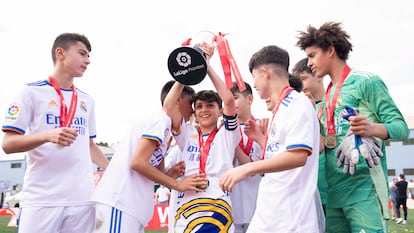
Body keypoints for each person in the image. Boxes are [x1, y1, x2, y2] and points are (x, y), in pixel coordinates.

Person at [296, 21, 410, 232]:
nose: (309, 62)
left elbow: (400, 127)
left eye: (312, 55)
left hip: (364, 190)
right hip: (334, 194)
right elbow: (327, 143)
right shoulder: (328, 94)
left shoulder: (366, 82)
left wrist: (371, 129)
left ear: (330, 51)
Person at [1, 33, 110, 233]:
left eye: (88, 55)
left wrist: (114, 170)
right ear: (60, 53)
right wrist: (46, 135)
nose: (88, 60)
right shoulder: (30, 92)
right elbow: (8, 144)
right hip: (42, 198)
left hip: (82, 199)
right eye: (82, 53)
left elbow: (89, 145)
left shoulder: (87, 100)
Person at [219, 45, 322, 232]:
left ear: (265, 73)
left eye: (254, 78)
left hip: (291, 220)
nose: (255, 85)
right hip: (271, 214)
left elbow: (298, 156)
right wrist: (260, 138)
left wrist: (247, 167)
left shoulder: (298, 104)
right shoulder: (280, 108)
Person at [92, 80, 207, 233]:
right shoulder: (160, 120)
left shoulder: (167, 131)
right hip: (119, 203)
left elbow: (149, 170)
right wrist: (177, 184)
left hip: (131, 208)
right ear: (177, 100)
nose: (192, 111)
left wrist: (168, 174)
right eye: (190, 103)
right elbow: (138, 162)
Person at [163, 44, 241, 232]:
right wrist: (184, 74)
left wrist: (205, 65)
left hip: (218, 202)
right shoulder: (187, 133)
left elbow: (229, 100)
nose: (204, 110)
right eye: (199, 107)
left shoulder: (227, 133)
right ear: (194, 112)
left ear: (219, 111)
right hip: (187, 204)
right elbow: (168, 105)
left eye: (210, 106)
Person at [292, 57, 327, 215]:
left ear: (318, 75)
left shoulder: (336, 103)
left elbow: (322, 145)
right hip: (310, 191)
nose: (301, 86)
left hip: (337, 188)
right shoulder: (297, 111)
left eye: (304, 79)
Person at [229, 81, 263, 233]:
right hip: (230, 208)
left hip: (256, 206)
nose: (231, 103)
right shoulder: (223, 130)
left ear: (249, 99)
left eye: (235, 98)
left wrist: (234, 145)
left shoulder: (262, 127)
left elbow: (259, 169)